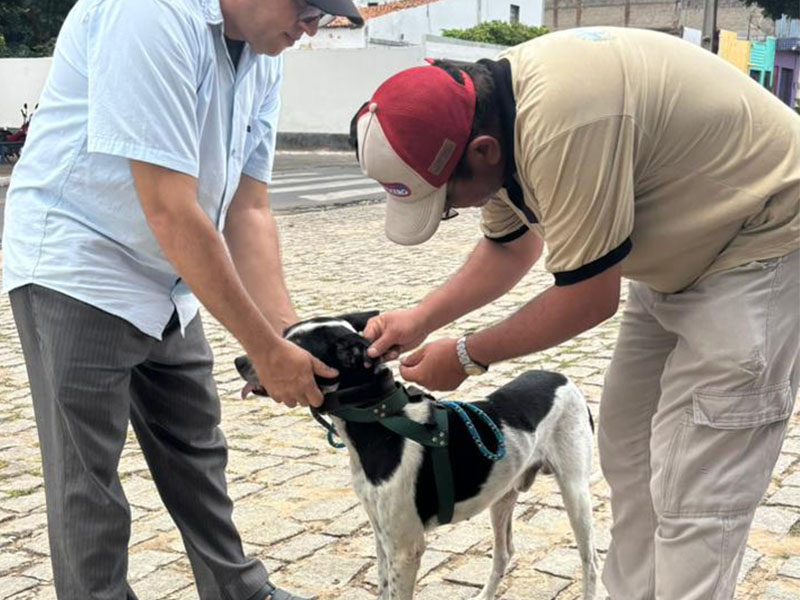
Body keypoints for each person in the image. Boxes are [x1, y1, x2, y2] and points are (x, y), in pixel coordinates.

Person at [351, 27, 800, 599]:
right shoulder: (487, 113)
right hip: (676, 258)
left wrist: (466, 355)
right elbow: (509, 247)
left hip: (761, 242)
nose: (453, 212)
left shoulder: (563, 124)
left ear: (482, 152)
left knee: (697, 490)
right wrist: (420, 320)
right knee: (629, 453)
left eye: (447, 203)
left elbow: (588, 297)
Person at [1, 1, 363, 599]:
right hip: (82, 262)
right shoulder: (150, 14)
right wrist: (262, 350)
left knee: (196, 446)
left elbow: (248, 208)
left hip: (170, 275)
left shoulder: (263, 52)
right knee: (88, 479)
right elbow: (169, 207)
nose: (310, 26)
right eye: (305, 6)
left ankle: (239, 593)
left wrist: (287, 338)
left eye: (322, 15)